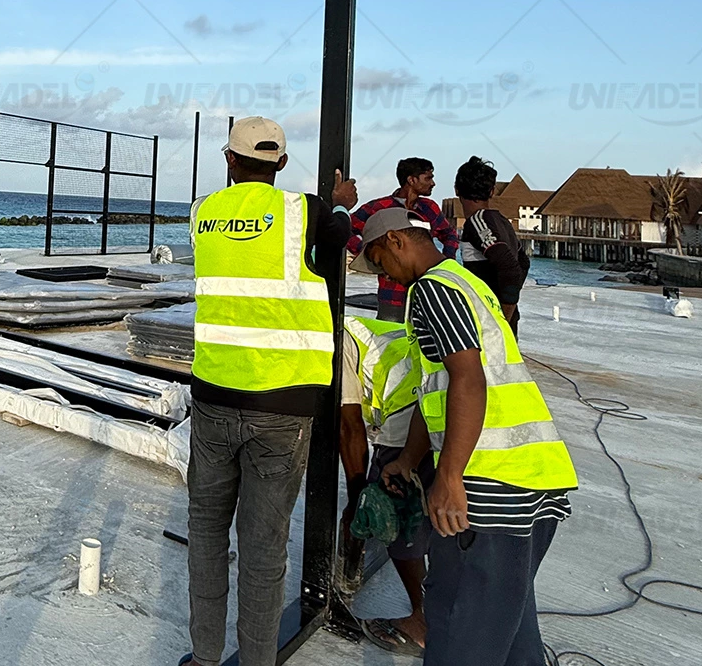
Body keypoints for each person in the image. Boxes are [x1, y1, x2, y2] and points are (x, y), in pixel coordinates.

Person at [352, 207, 580, 666]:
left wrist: (450, 476)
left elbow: (467, 380)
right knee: (509, 628)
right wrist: (410, 458)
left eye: (379, 261)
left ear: (396, 241)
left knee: (462, 628)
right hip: (533, 476)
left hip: (489, 484)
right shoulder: (467, 283)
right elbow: (436, 387)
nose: (384, 275)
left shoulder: (432, 291)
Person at [183, 116, 358, 666]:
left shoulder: (201, 212)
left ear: (229, 160)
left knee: (207, 537)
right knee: (264, 550)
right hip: (283, 408)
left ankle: (205, 658)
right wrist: (341, 202)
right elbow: (339, 237)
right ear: (280, 164)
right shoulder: (304, 213)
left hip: (213, 397)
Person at [336, 315, 429, 658]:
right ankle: (446, 610)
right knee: (432, 513)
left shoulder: (334, 339)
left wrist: (357, 496)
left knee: (394, 514)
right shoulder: (357, 328)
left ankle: (422, 620)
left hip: (407, 410)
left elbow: (349, 426)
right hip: (432, 401)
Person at [347, 157, 459, 322]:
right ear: (411, 180)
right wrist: (368, 254)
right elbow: (346, 228)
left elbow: (449, 233)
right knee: (389, 337)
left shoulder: (430, 208)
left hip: (426, 291)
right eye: (428, 178)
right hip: (392, 294)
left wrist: (447, 261)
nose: (433, 183)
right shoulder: (378, 207)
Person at [455, 156, 529, 336]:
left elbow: (510, 268)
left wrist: (501, 318)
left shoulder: (477, 222)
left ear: (456, 190)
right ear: (492, 192)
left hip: (488, 323)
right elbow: (523, 263)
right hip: (503, 323)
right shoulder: (502, 221)